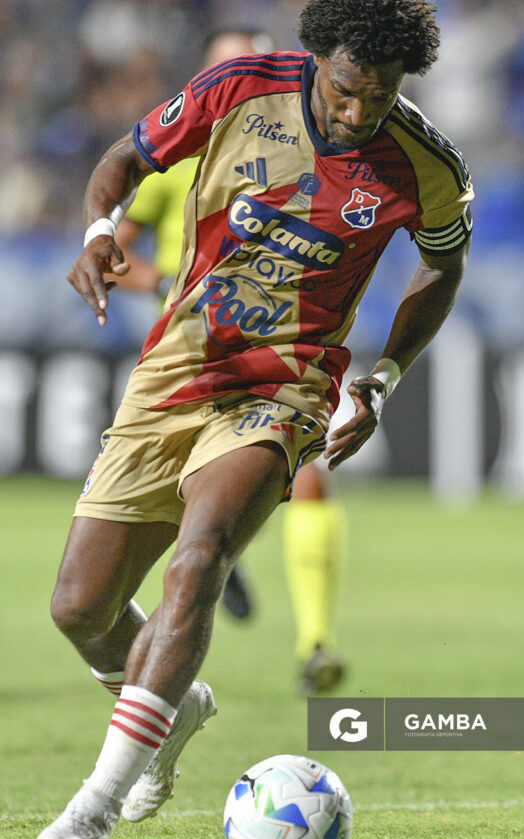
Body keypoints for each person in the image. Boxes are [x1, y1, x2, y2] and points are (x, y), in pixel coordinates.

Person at [36, 0, 473, 839]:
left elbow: (442, 260)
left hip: (287, 383)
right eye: (348, 92)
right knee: (79, 609)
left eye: (379, 99)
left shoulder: (424, 162)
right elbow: (124, 159)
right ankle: (177, 704)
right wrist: (97, 233)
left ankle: (97, 803)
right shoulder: (238, 90)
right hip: (177, 366)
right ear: (319, 60)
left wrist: (382, 376)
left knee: (199, 561)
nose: (358, 113)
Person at [117, 25, 348, 688]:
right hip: (190, 360)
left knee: (312, 478)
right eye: (227, 67)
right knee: (174, 531)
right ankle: (217, 565)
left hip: (279, 356)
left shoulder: (300, 154)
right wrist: (164, 283)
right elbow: (117, 255)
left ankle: (316, 645)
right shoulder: (174, 165)